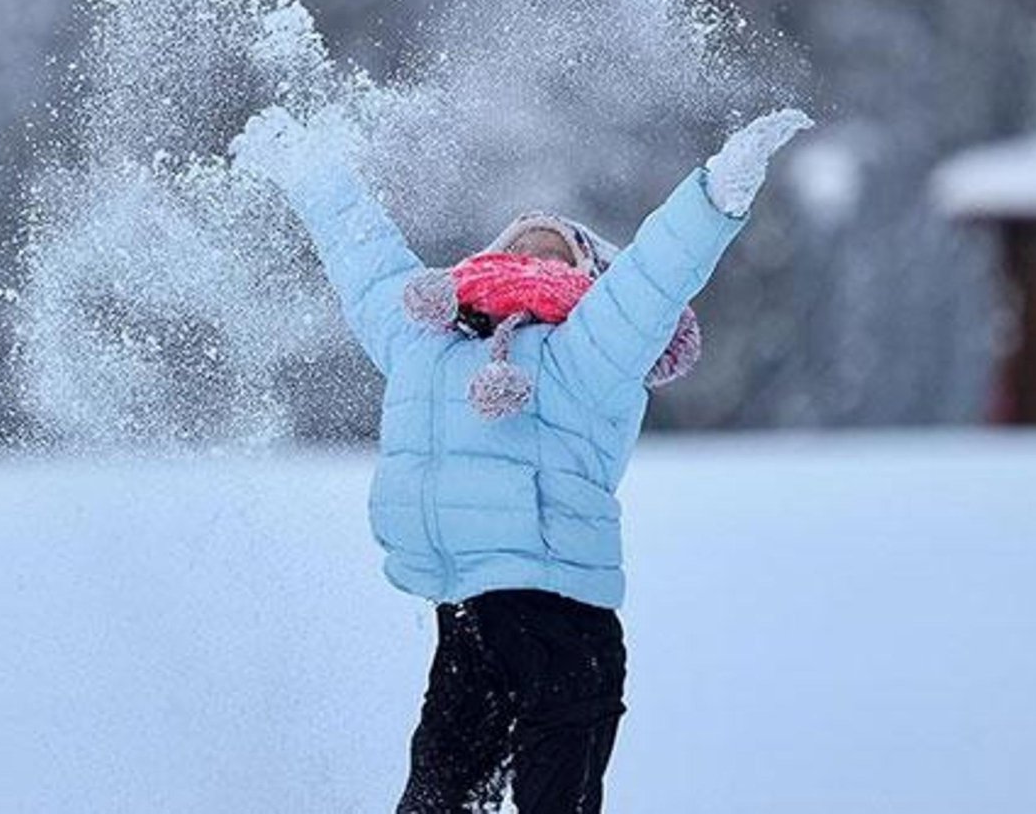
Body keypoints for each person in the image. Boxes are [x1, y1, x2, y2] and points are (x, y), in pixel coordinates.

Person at [229, 104, 813, 813]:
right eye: (520, 249)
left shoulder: (591, 349)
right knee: (435, 799)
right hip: (468, 619)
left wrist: (717, 191)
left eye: (555, 254)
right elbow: (366, 259)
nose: (534, 263)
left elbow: (654, 277)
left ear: (591, 277)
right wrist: (310, 171)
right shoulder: (428, 344)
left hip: (565, 623)